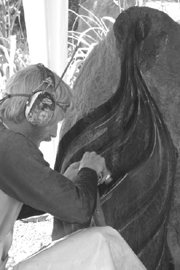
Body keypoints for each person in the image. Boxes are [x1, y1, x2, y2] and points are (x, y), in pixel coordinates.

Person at [0, 64, 147, 270]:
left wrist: (63, 185)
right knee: (102, 242)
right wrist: (90, 170)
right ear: (39, 109)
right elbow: (78, 211)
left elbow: (17, 205)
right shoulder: (10, 146)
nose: (52, 135)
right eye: (55, 122)